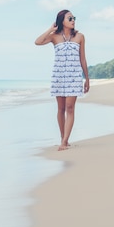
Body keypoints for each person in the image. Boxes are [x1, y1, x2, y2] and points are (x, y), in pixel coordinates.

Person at [35, 9, 90, 150]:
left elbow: (82, 58)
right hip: (59, 76)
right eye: (70, 18)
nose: (73, 20)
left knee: (70, 108)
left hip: (74, 77)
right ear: (62, 21)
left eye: (74, 18)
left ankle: (65, 141)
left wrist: (87, 78)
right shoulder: (54, 37)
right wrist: (50, 29)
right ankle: (63, 138)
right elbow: (38, 42)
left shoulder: (80, 37)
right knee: (60, 109)